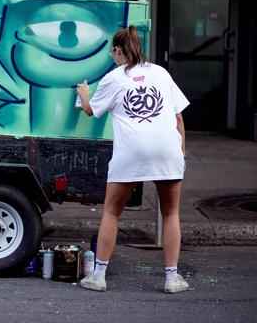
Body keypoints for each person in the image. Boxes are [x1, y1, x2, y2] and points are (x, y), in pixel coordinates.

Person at [76, 25, 190, 294]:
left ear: (118, 50)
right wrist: (181, 153)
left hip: (132, 151)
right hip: (167, 149)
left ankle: (99, 275)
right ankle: (172, 278)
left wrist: (84, 96)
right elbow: (178, 117)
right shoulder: (161, 73)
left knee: (112, 211)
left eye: (112, 52)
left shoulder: (113, 78)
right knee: (171, 213)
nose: (111, 56)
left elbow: (91, 112)